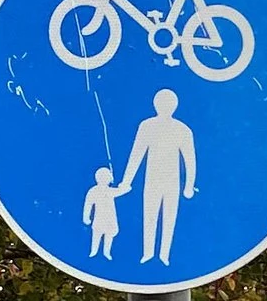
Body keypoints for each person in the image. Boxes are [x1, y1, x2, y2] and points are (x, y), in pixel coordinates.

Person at [114, 89, 196, 266]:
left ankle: (164, 255)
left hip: (172, 182)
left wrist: (189, 186)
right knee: (150, 216)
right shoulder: (147, 126)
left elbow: (190, 160)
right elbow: (136, 155)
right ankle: (148, 253)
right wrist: (126, 181)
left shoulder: (182, 130)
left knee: (169, 217)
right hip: (152, 180)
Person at [82, 166, 121, 259]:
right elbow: (88, 205)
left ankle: (106, 252)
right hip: (99, 218)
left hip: (109, 219)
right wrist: (86, 217)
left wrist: (125, 187)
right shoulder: (94, 191)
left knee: (108, 236)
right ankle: (94, 251)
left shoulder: (109, 190)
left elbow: (119, 191)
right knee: (97, 235)